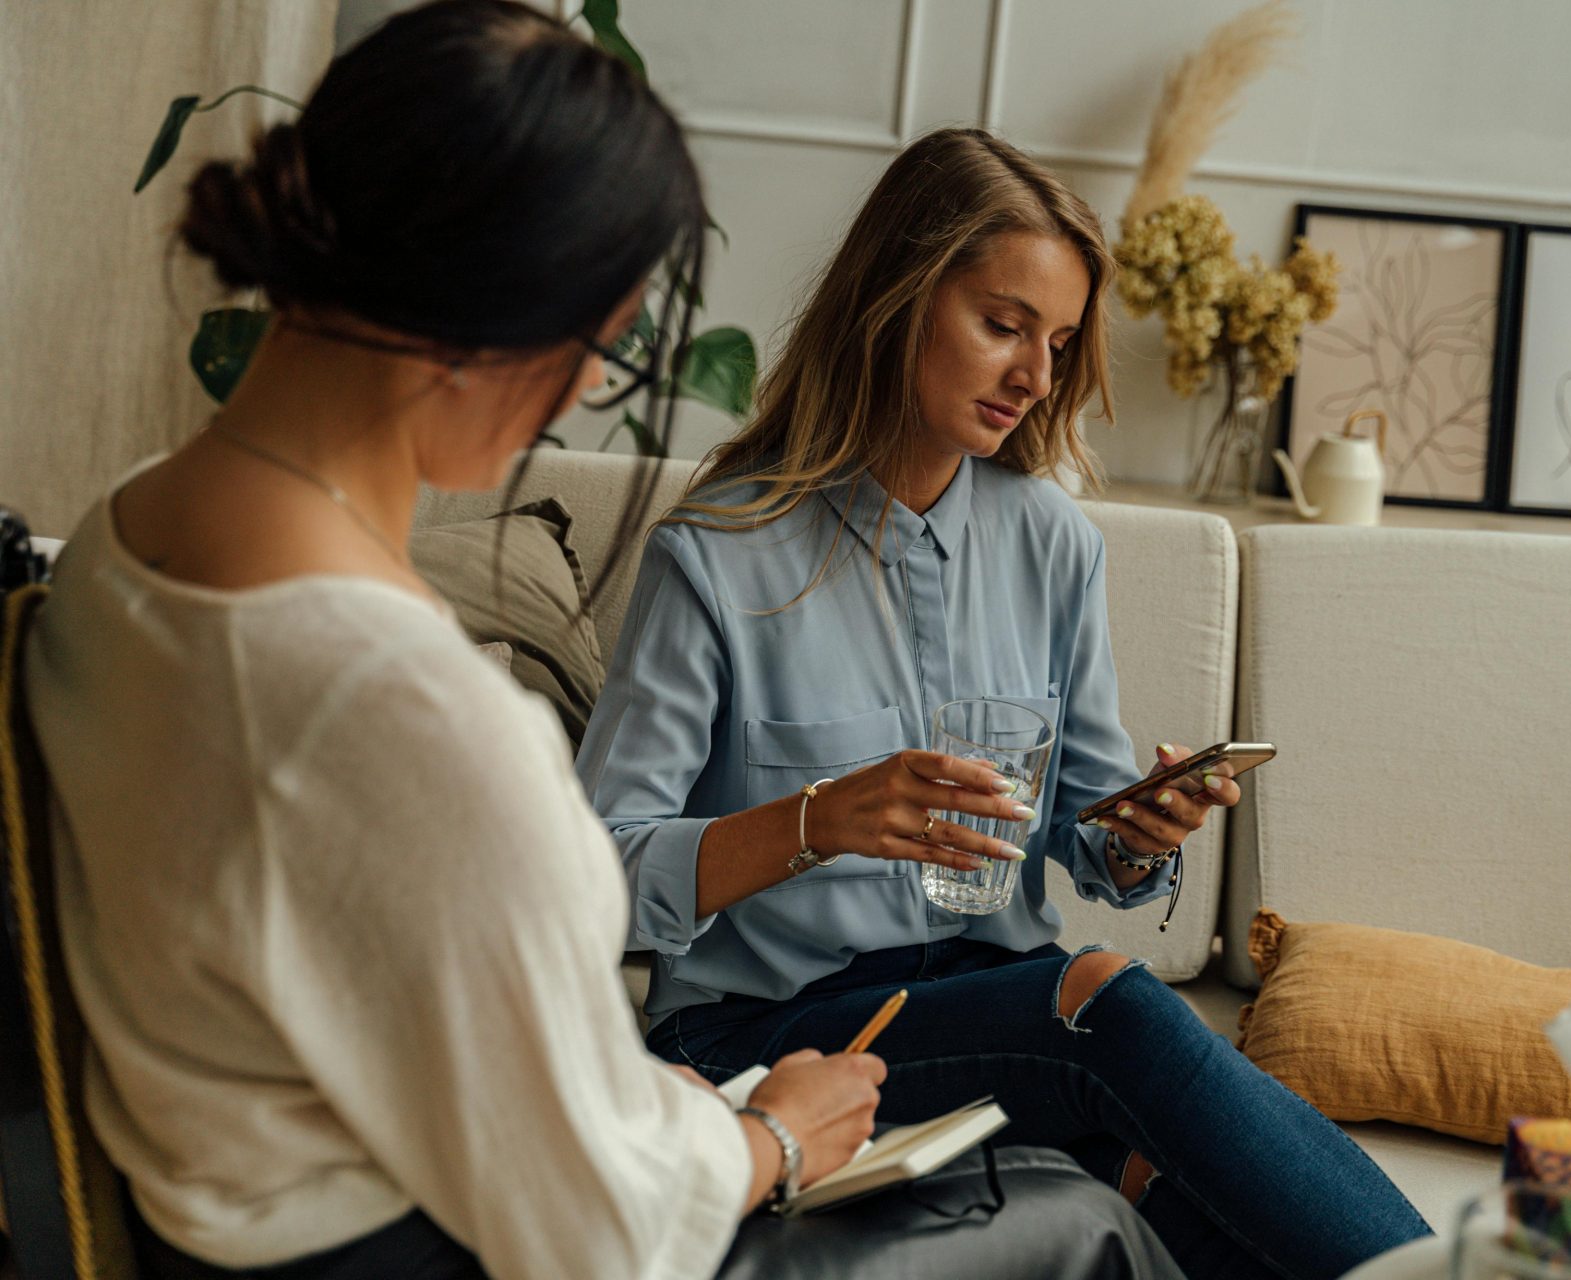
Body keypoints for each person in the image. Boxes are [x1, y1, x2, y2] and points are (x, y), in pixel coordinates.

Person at [23, 6, 1178, 1278]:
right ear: (487, 295)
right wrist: (773, 1137)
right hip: (418, 1243)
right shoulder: (411, 709)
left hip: (238, 1219)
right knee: (1091, 1229)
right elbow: (601, 1216)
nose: (582, 386)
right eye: (594, 332)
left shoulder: (112, 543)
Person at [579, 126, 1435, 1279]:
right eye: (1004, 324)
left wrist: (1139, 834)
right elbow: (596, 879)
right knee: (1102, 999)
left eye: (1062, 340)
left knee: (1181, 1208)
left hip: (993, 1014)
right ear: (897, 300)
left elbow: (1092, 841)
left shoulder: (1052, 544)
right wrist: (816, 820)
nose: (1037, 374)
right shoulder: (717, 555)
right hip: (774, 1033)